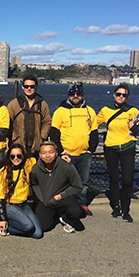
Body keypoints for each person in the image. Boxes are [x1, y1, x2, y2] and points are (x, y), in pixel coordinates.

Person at [97, 84, 139, 223]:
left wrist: (135, 127)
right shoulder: (106, 110)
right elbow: (93, 122)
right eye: (118, 94)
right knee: (113, 179)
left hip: (127, 147)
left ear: (128, 96)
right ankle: (116, 207)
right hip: (111, 147)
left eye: (124, 95)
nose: (121, 97)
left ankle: (126, 210)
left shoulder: (132, 111)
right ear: (114, 95)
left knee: (127, 180)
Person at [50, 83, 99, 216]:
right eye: (72, 94)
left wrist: (91, 150)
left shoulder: (90, 111)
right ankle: (64, 206)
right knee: (64, 183)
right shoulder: (60, 111)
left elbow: (94, 132)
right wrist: (61, 151)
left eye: (78, 94)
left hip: (84, 154)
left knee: (83, 182)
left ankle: (82, 204)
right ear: (68, 95)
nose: (75, 96)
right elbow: (54, 133)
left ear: (82, 95)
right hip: (67, 154)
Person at [30, 141, 85, 233]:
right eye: (44, 153)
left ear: (56, 153)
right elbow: (34, 184)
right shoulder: (35, 169)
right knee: (44, 227)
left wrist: (60, 196)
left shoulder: (67, 167)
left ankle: (66, 217)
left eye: (51, 152)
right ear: (40, 155)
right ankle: (57, 215)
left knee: (76, 212)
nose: (47, 155)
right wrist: (42, 198)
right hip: (46, 200)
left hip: (62, 197)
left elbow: (77, 186)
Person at [0, 144, 43, 239]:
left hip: (24, 205)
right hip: (9, 205)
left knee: (38, 234)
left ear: (23, 156)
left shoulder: (27, 165)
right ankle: (4, 226)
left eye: (19, 155)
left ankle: (14, 225)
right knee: (28, 226)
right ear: (9, 157)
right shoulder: (3, 172)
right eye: (12, 156)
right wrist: (2, 218)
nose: (16, 158)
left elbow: (42, 157)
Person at [7, 76, 52, 157]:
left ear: (36, 87)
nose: (29, 89)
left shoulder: (42, 104)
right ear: (22, 87)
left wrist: (42, 138)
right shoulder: (14, 104)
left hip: (36, 146)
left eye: (32, 86)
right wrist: (13, 139)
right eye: (26, 86)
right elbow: (7, 122)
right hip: (18, 145)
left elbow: (47, 122)